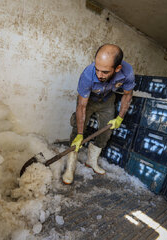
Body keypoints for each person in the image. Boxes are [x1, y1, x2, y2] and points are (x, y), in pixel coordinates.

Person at [62, 44, 135, 184]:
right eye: (97, 69)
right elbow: (81, 106)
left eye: (105, 72)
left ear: (117, 68)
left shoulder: (127, 72)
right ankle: (70, 167)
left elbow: (127, 95)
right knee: (77, 129)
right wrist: (80, 134)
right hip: (89, 101)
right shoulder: (87, 75)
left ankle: (91, 161)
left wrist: (120, 117)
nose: (99, 75)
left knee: (106, 130)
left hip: (107, 100)